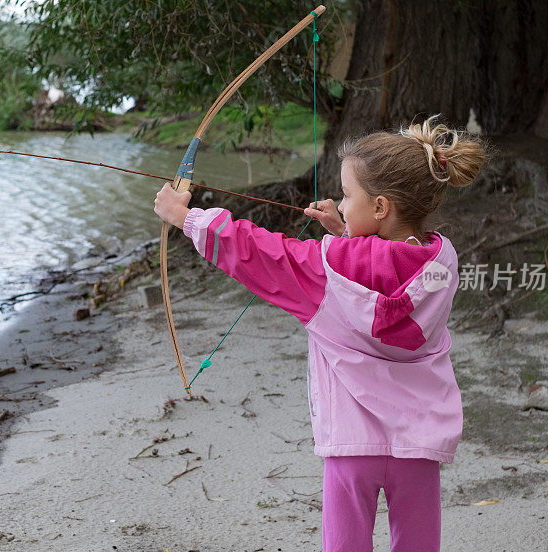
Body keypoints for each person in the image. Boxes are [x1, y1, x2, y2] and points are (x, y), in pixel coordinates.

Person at [154, 114, 485, 552]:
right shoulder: (444, 261)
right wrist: (347, 231)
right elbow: (391, 267)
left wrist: (186, 216)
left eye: (348, 196)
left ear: (381, 207)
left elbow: (261, 253)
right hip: (418, 444)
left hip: (352, 446)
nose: (342, 204)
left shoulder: (324, 270)